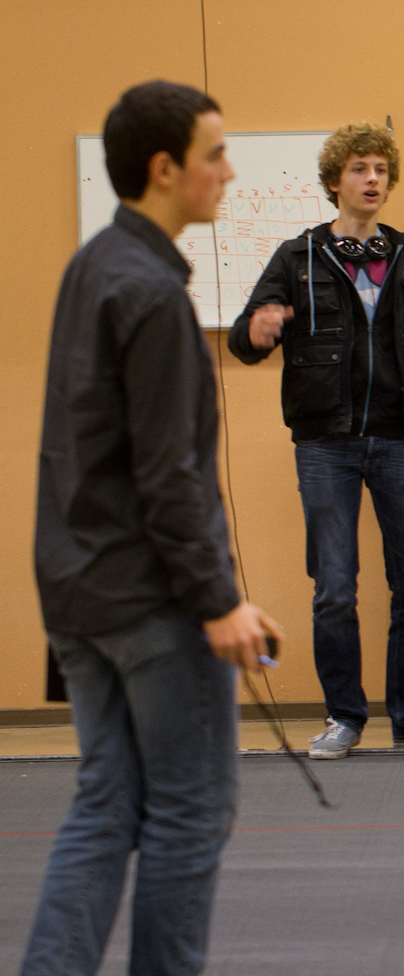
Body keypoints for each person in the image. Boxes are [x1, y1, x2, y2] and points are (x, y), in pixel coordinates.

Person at [25, 80, 284, 976]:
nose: (229, 171)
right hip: (148, 597)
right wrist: (218, 600)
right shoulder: (150, 294)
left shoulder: (93, 266)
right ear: (165, 168)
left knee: (107, 801)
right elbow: (168, 473)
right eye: (216, 154)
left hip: (76, 586)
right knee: (191, 807)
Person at [229, 122, 404, 758]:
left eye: (381, 169)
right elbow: (246, 339)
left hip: (402, 441)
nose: (373, 179)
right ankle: (344, 717)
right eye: (360, 168)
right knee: (334, 588)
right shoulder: (297, 257)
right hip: (324, 443)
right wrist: (257, 330)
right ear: (335, 181)